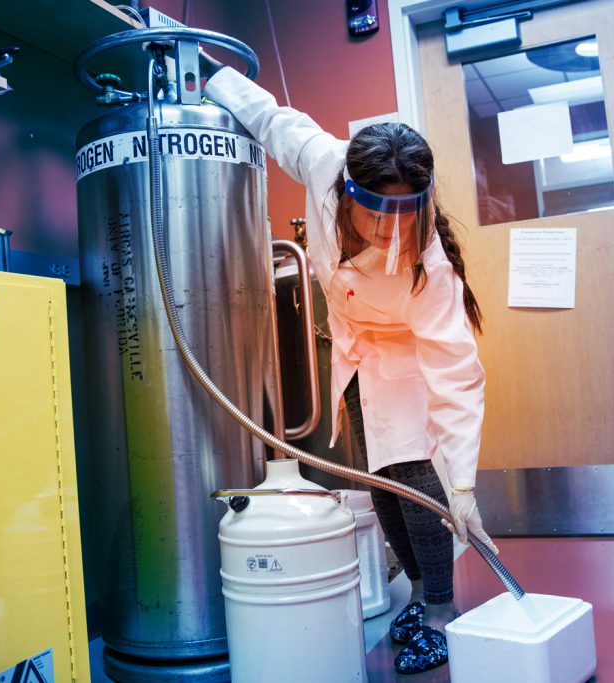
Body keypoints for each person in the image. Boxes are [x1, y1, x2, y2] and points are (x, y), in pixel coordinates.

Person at [200, 55, 498, 674]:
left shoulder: (429, 272)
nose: (393, 231)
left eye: (406, 214)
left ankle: (440, 612)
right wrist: (208, 75)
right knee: (377, 480)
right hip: (358, 350)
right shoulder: (323, 161)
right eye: (377, 215)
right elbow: (271, 117)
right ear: (348, 194)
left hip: (411, 355)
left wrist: (463, 486)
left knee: (418, 479)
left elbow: (457, 375)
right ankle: (418, 594)